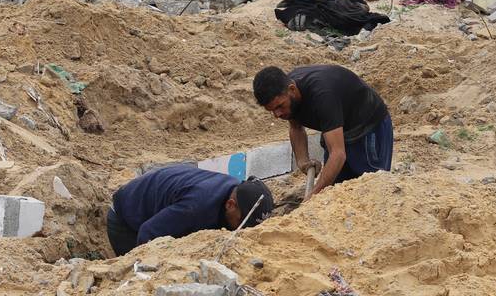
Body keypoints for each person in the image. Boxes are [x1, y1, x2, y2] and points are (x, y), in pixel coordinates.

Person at [252, 65, 392, 196]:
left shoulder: (322, 95)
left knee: (370, 189)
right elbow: (296, 127)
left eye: (280, 107)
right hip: (338, 129)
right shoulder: (287, 95)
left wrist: (312, 198)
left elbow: (337, 154)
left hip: (368, 127)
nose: (277, 115)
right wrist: (303, 161)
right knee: (335, 190)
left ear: (292, 89)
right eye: (272, 111)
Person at [106, 164, 275, 256]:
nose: (242, 230)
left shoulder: (235, 189)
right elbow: (147, 233)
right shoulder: (196, 207)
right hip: (126, 219)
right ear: (230, 205)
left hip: (161, 199)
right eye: (242, 223)